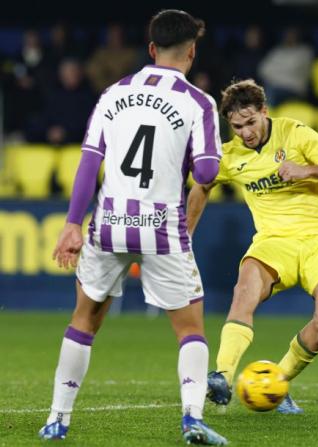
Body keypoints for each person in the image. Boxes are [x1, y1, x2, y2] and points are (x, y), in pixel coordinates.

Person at [41, 10, 227, 445]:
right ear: (192, 52)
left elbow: (89, 160)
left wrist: (72, 223)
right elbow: (206, 171)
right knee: (190, 329)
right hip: (161, 227)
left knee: (83, 321)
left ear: (150, 49)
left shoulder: (113, 93)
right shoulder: (199, 102)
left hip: (108, 223)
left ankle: (57, 420)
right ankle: (193, 419)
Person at [187, 79, 318, 414]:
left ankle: (277, 381)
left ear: (265, 111)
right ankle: (221, 375)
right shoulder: (229, 155)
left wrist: (306, 170)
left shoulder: (294, 132)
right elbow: (202, 185)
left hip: (317, 241)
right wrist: (185, 234)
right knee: (243, 292)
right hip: (271, 243)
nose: (246, 132)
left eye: (251, 122)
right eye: (237, 127)